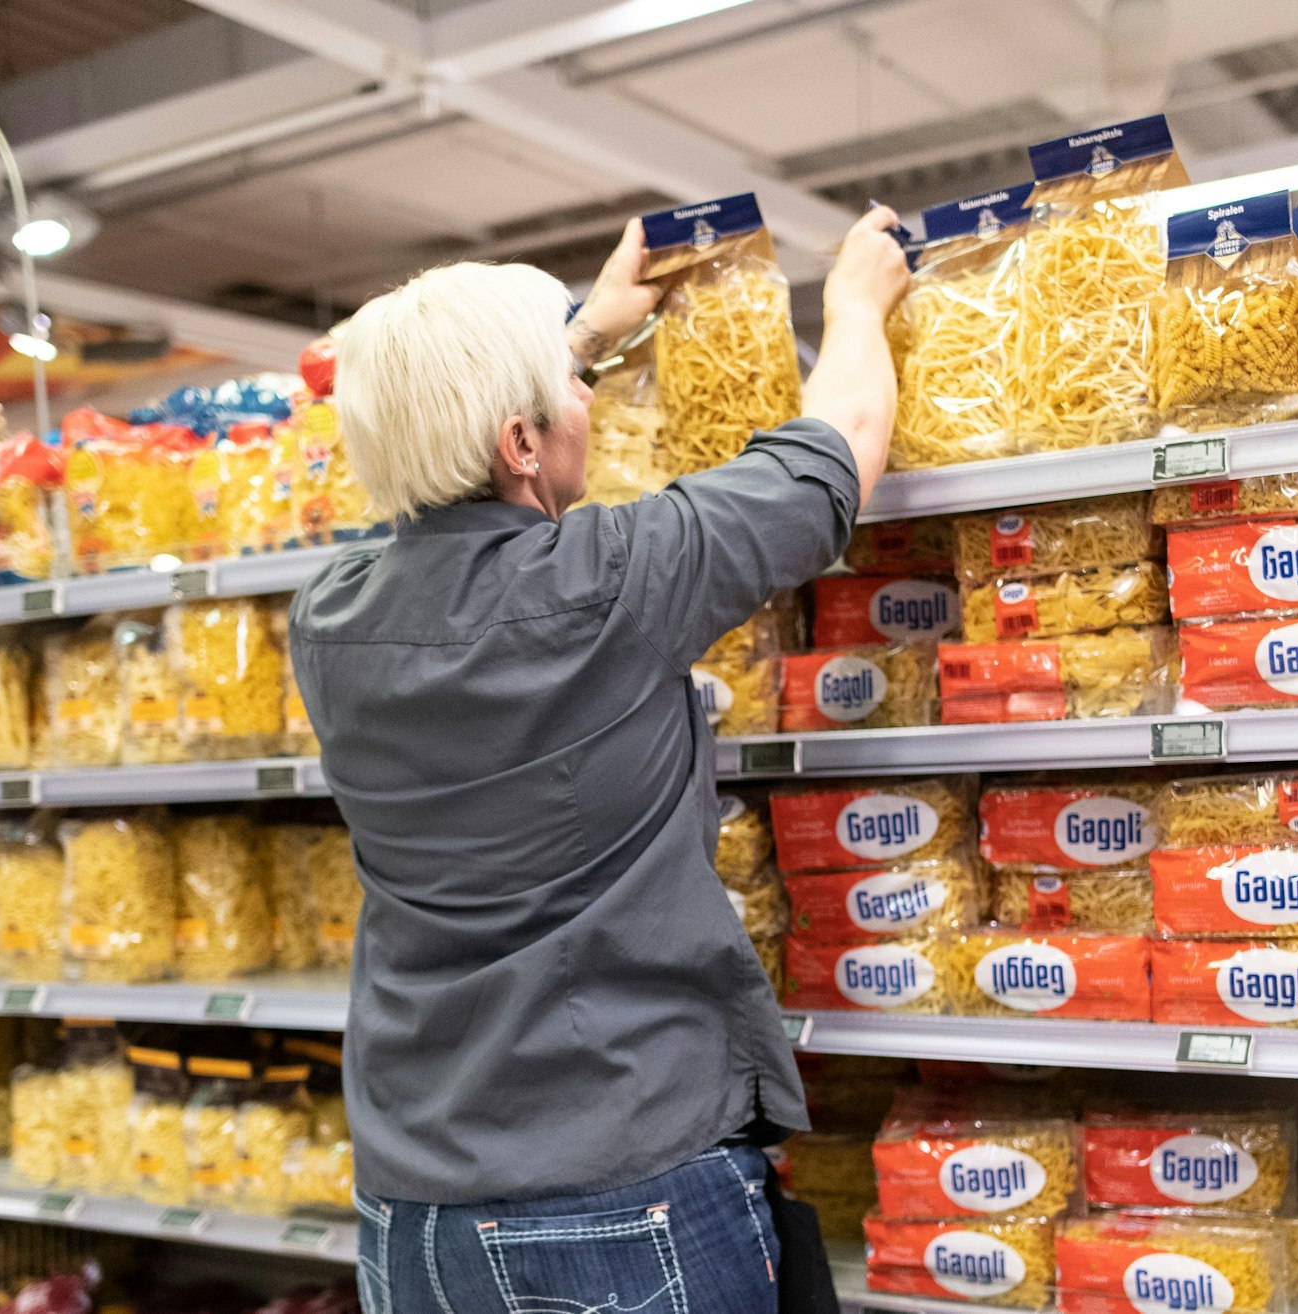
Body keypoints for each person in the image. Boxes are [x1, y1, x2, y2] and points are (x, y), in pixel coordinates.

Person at [286, 206, 910, 1314]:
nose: (587, 397)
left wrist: (576, 332)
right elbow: (840, 443)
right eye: (567, 390)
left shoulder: (327, 620)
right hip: (614, 1190)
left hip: (411, 1210)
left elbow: (464, 450)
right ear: (519, 445)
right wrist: (853, 303)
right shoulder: (609, 579)